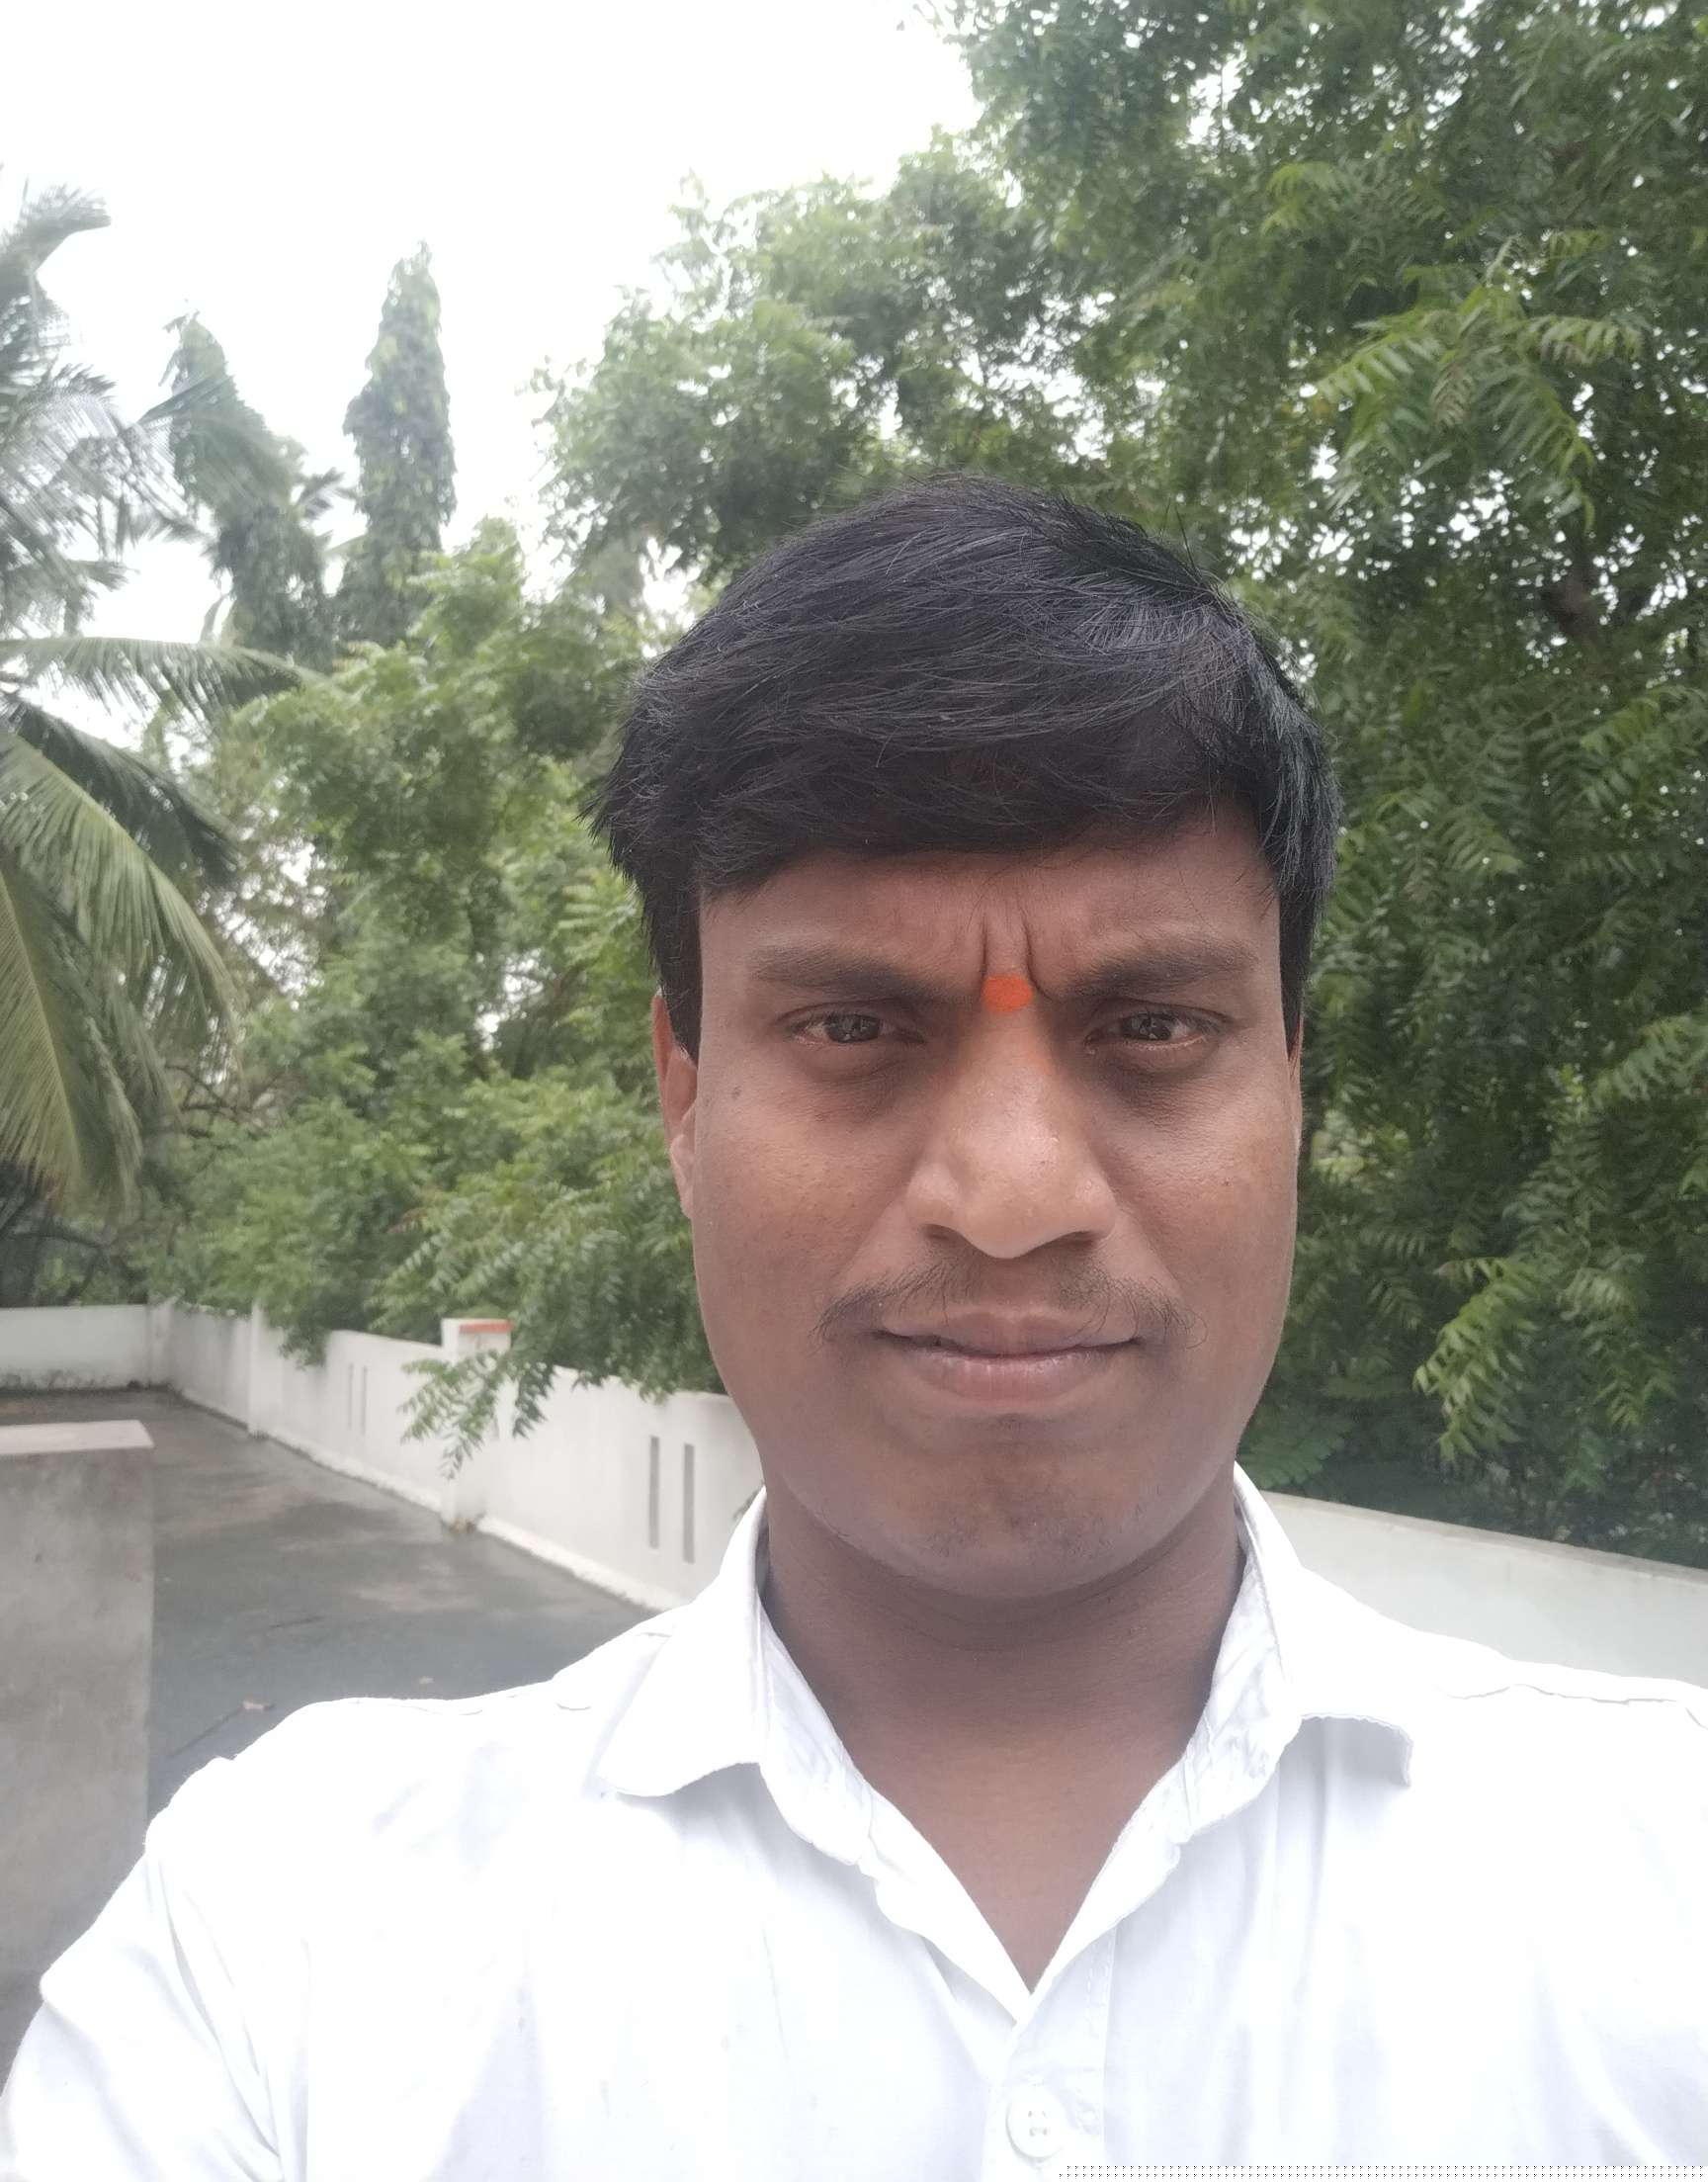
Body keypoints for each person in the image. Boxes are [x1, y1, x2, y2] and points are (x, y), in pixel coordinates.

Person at [2, 479, 1703, 2177]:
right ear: (683, 1098)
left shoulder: (1660, 1885)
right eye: (851, 1027)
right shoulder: (289, 1949)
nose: (1013, 1193)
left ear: (1294, 1087)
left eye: (1156, 1027)